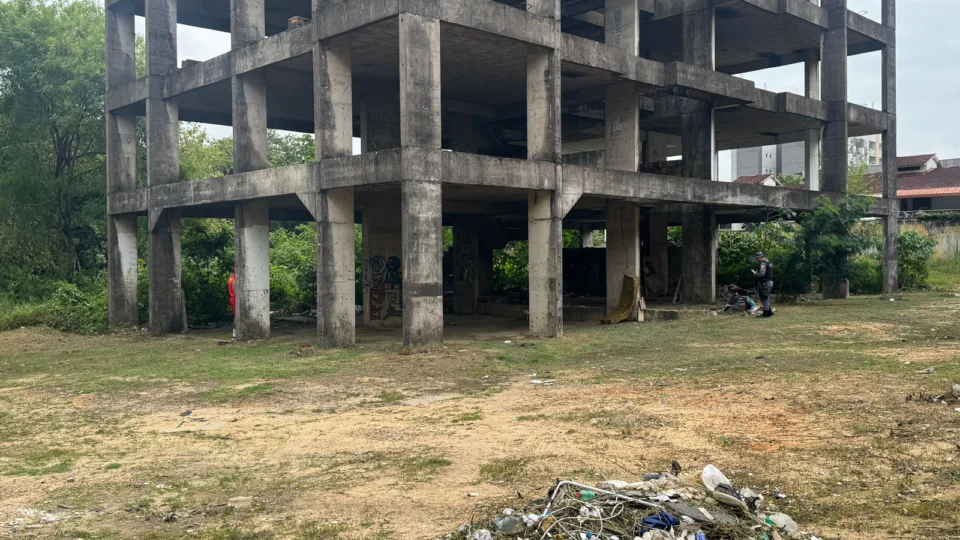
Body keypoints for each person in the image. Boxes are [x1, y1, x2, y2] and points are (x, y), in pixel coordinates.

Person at [751, 252, 774, 318]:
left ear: (760, 257)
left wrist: (755, 274)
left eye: (757, 258)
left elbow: (762, 274)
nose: (757, 260)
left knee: (764, 298)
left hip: (765, 283)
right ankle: (769, 312)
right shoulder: (769, 262)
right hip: (770, 282)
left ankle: (766, 314)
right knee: (766, 297)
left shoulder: (763, 263)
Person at [228, 268, 237, 338]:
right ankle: (234, 334)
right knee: (236, 316)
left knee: (236, 315)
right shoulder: (234, 279)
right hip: (235, 298)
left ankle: (235, 333)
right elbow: (235, 290)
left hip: (232, 298)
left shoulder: (230, 278)